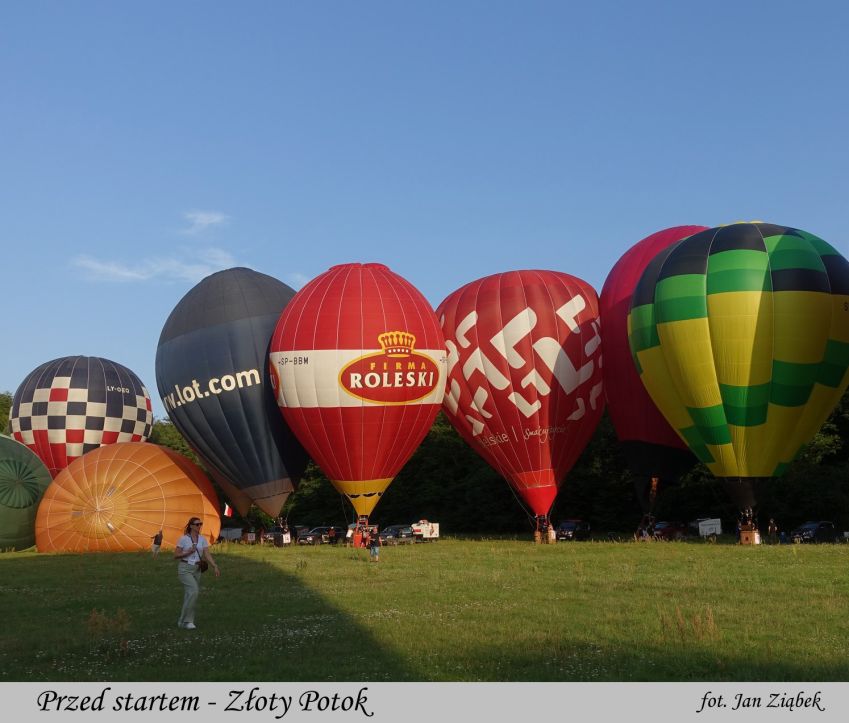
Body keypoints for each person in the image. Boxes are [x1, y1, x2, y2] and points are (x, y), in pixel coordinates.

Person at [174, 517, 220, 630]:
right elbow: (176, 555)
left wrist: (214, 566)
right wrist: (188, 552)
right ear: (191, 526)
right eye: (197, 524)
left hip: (197, 569)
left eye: (200, 524)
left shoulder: (202, 539)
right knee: (194, 591)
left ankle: (184, 621)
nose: (199, 526)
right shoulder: (183, 539)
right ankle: (186, 621)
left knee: (190, 595)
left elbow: (207, 554)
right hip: (185, 568)